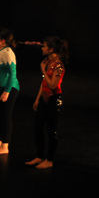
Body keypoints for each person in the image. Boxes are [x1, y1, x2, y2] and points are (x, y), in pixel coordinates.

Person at [26, 36, 68, 169]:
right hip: (44, 99)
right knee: (37, 126)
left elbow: (52, 85)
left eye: (44, 46)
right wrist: (37, 98)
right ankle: (39, 156)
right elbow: (44, 82)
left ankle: (49, 160)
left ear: (51, 49)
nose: (42, 48)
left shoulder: (58, 65)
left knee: (51, 130)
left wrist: (43, 71)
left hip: (54, 99)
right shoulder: (47, 62)